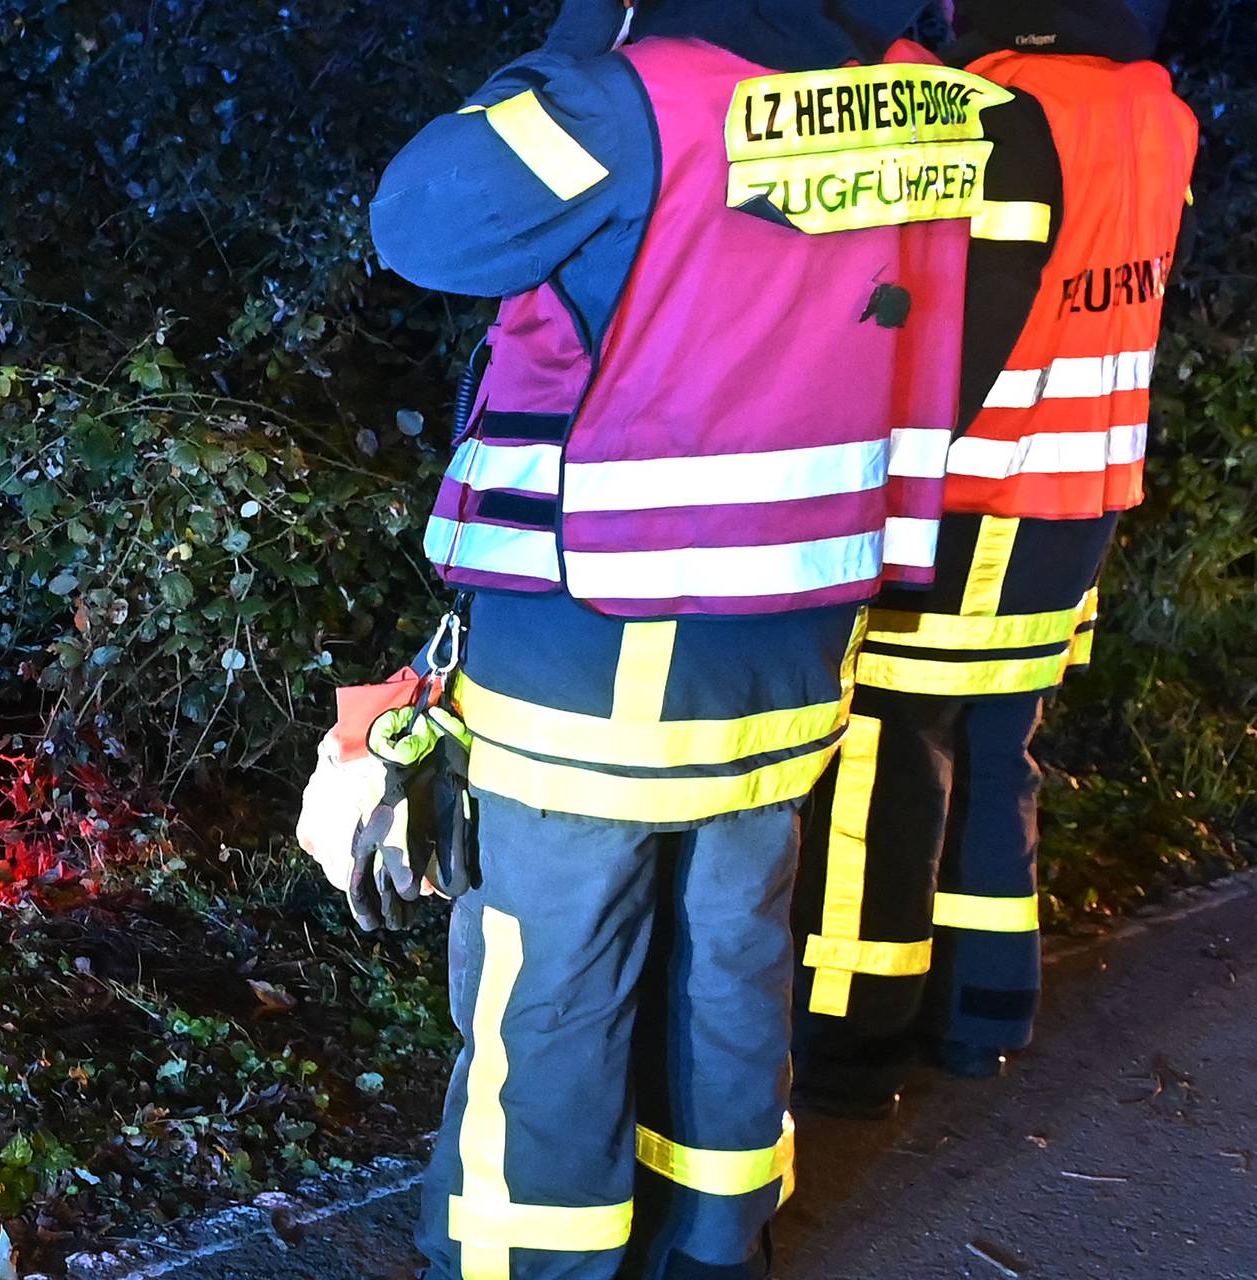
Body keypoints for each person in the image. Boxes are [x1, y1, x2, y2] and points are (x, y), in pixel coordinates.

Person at [309, 0, 1039, 1274]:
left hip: (598, 651)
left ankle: (530, 1260)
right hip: (796, 646)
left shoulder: (626, 101)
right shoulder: (942, 102)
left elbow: (419, 218)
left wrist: (586, 37)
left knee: (550, 984)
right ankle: (713, 1243)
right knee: (736, 957)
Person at [790, 0, 1197, 1118]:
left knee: (889, 758)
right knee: (993, 745)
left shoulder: (1007, 111)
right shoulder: (1157, 111)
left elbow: (966, 319)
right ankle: (981, 1010)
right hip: (1082, 494)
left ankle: (854, 1040)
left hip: (980, 493)